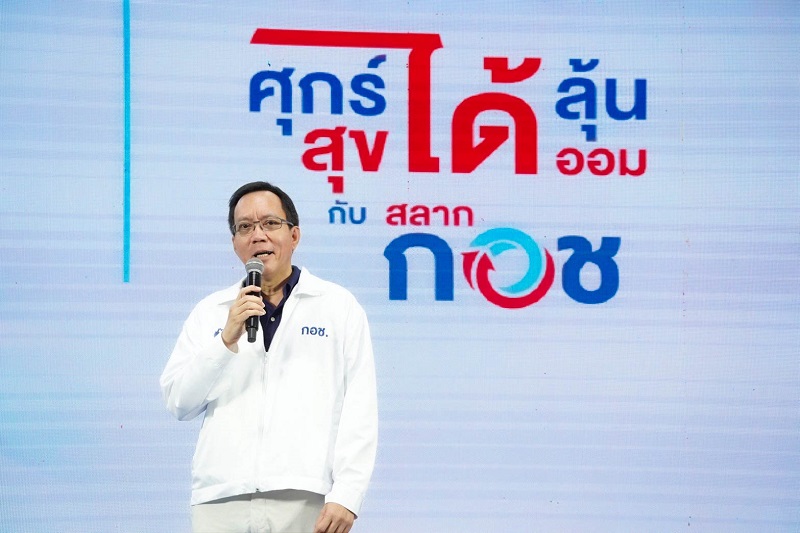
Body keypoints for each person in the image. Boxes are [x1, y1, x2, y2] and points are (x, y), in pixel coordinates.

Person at [160, 181, 378, 533]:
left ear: (294, 235)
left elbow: (360, 407)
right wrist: (225, 340)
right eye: (245, 227)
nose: (258, 235)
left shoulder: (337, 307)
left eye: (270, 223)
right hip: (221, 498)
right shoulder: (210, 311)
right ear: (234, 243)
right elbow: (178, 402)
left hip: (306, 496)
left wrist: (348, 494)